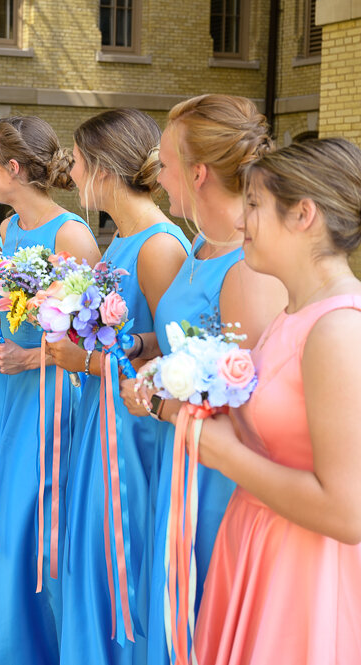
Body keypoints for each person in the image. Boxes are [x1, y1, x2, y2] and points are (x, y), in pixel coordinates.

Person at [119, 95, 286, 665]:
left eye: (164, 164)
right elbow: (190, 334)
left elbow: (255, 403)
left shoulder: (248, 265)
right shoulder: (199, 242)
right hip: (181, 454)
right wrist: (144, 345)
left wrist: (158, 402)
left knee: (200, 605)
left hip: (215, 477)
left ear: (197, 173)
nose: (157, 176)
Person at [190, 138, 361, 665]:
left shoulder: (337, 330)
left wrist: (220, 452)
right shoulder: (293, 314)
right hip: (255, 544)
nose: (242, 219)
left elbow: (347, 511)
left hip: (304, 574)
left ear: (303, 214)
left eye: (256, 204)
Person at [0, 117, 100, 665]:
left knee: (31, 515)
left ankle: (35, 644)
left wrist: (32, 356)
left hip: (50, 396)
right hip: (1, 389)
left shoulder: (71, 235)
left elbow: (91, 334)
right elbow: (4, 306)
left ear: (13, 169)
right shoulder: (9, 229)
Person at [47, 109, 189, 665]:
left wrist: (82, 361)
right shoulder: (123, 240)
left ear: (104, 169)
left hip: (135, 435)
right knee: (91, 554)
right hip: (101, 422)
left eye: (79, 163)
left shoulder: (159, 246)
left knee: (121, 557)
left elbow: (176, 360)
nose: (74, 175)